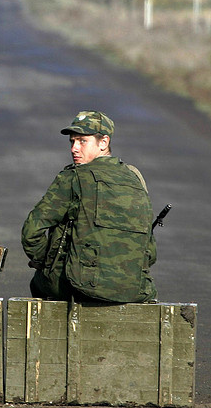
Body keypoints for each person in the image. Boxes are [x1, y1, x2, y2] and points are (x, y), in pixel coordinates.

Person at [21, 110, 158, 303]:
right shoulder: (135, 178)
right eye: (72, 141)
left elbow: (31, 231)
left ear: (104, 142)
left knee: (39, 282)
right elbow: (150, 252)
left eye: (82, 141)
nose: (74, 148)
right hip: (135, 289)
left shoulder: (72, 177)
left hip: (77, 286)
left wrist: (47, 263)